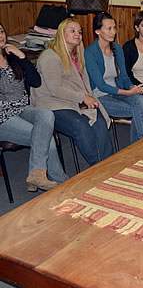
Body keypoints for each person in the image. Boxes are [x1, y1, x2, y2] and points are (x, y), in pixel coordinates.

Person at [31, 18, 113, 167]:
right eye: (72, 31)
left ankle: (109, 164)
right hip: (52, 103)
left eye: (80, 32)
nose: (77, 34)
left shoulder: (77, 55)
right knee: (81, 126)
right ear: (61, 33)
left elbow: (84, 84)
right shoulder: (50, 56)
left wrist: (90, 99)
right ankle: (98, 166)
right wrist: (83, 97)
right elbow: (54, 88)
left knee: (99, 120)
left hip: (73, 100)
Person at [0, 22, 68, 191]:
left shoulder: (11, 55)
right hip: (3, 117)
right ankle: (60, 182)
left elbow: (35, 81)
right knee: (45, 138)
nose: (0, 35)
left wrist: (22, 57)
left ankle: (38, 175)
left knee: (46, 115)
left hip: (22, 108)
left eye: (1, 31)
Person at [85, 12, 143, 143]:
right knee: (138, 110)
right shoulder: (90, 53)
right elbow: (101, 85)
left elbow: (124, 77)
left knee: (139, 100)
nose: (113, 32)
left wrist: (132, 87)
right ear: (98, 31)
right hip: (100, 97)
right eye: (109, 28)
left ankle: (139, 146)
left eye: (114, 28)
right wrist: (128, 92)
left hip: (118, 92)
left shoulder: (117, 48)